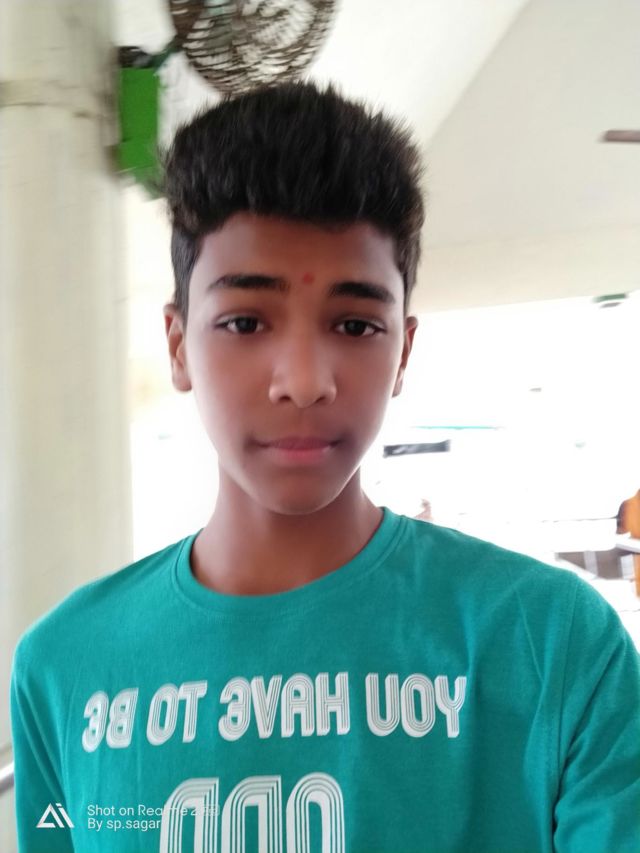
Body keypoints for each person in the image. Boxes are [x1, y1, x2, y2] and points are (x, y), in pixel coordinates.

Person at [10, 82, 640, 853]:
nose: (304, 380)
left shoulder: (552, 645)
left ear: (403, 350)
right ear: (178, 346)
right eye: (245, 321)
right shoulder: (63, 667)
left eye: (355, 324)